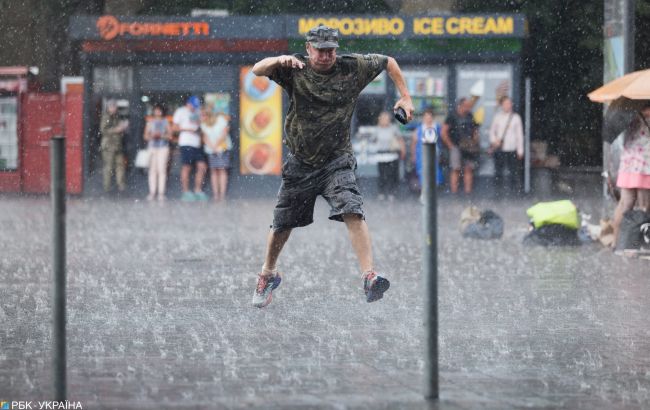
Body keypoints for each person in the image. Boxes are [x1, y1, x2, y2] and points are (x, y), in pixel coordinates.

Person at [249, 24, 414, 308]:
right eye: (320, 51)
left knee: (352, 210)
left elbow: (389, 62)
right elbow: (257, 69)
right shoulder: (293, 68)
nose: (326, 56)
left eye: (330, 51)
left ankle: (369, 276)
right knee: (282, 226)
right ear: (309, 49)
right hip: (301, 162)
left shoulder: (352, 68)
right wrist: (277, 60)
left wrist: (406, 96)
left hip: (337, 160)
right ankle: (268, 274)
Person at [612, 103, 650, 247]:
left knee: (624, 204)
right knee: (644, 207)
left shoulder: (628, 111)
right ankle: (641, 244)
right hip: (645, 163)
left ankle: (616, 243)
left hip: (629, 162)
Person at [172, 96, 208, 202]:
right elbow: (174, 127)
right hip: (186, 143)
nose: (194, 108)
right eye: (193, 105)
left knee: (202, 166)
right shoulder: (180, 111)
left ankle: (197, 190)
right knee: (186, 167)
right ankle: (186, 192)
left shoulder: (197, 111)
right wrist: (187, 129)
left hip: (197, 143)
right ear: (188, 104)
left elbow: (202, 125)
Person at [441, 97, 480, 195]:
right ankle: (454, 192)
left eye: (468, 106)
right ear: (460, 106)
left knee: (468, 168)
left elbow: (475, 130)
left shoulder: (470, 115)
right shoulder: (452, 116)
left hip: (468, 147)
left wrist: (474, 141)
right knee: (455, 169)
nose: (468, 108)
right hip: (455, 146)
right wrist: (450, 145)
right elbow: (443, 131)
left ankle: (468, 193)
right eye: (466, 106)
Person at [489, 96, 524, 196]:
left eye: (509, 103)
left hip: (512, 148)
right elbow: (492, 132)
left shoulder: (516, 118)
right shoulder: (497, 117)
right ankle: (498, 192)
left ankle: (514, 193)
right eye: (505, 104)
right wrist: (495, 141)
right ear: (502, 105)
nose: (508, 106)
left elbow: (519, 135)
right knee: (498, 172)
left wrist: (520, 150)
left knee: (513, 172)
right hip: (500, 149)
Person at [201, 108, 232, 202]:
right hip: (212, 151)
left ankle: (222, 194)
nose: (202, 118)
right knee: (214, 171)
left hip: (222, 149)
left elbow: (225, 132)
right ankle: (216, 194)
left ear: (208, 115)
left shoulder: (220, 119)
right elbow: (205, 137)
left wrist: (216, 145)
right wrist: (212, 147)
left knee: (222, 170)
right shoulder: (203, 124)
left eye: (203, 115)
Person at [143, 104, 172, 201]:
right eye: (156, 110)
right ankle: (152, 192)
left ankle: (161, 193)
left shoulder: (166, 122)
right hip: (152, 148)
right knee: (152, 170)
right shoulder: (150, 122)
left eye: (159, 110)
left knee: (162, 170)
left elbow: (170, 136)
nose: (157, 112)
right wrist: (152, 136)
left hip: (163, 148)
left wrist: (161, 136)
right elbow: (145, 136)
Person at [375, 111, 405, 201]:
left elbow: (400, 139)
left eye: (386, 119)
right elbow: (373, 139)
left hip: (392, 154)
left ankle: (392, 192)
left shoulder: (393, 128)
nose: (385, 120)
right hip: (381, 155)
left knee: (391, 175)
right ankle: (381, 192)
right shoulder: (377, 129)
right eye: (383, 118)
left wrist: (403, 150)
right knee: (382, 175)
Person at [411, 107, 442, 190]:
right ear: (423, 117)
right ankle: (424, 190)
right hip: (421, 154)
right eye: (426, 116)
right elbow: (414, 143)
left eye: (430, 116)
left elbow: (441, 140)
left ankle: (433, 190)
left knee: (434, 171)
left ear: (433, 117)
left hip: (434, 153)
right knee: (423, 172)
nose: (428, 119)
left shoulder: (437, 127)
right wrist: (413, 155)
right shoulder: (419, 129)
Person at [100, 100, 127, 193]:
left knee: (120, 166)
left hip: (118, 145)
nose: (114, 108)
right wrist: (116, 129)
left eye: (115, 106)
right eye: (112, 106)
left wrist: (122, 128)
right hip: (109, 145)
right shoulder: (106, 116)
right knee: (108, 167)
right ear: (108, 107)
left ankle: (121, 186)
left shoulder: (117, 116)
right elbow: (103, 130)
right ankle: (106, 188)